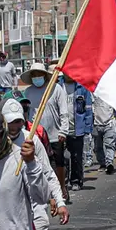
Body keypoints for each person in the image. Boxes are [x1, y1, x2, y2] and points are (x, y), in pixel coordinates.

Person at [2, 99, 68, 230]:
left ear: (23, 121)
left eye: (18, 122)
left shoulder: (33, 142)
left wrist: (60, 201)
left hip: (35, 205)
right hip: (9, 210)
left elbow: (48, 174)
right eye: (10, 122)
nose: (14, 126)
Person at [22, 63, 70, 201]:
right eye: (34, 75)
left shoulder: (56, 89)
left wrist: (63, 131)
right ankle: (46, 192)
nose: (37, 77)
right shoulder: (28, 92)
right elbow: (27, 112)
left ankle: (61, 187)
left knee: (58, 163)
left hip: (55, 134)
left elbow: (63, 111)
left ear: (44, 75)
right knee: (41, 164)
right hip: (37, 134)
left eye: (39, 75)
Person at [62, 74, 93, 191]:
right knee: (63, 158)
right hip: (62, 130)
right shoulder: (57, 86)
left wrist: (87, 128)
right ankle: (63, 182)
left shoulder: (82, 88)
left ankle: (76, 181)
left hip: (77, 129)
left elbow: (88, 109)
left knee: (76, 157)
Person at [91, 94, 116, 174]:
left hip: (109, 123)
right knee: (97, 147)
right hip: (96, 124)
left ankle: (109, 164)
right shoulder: (92, 92)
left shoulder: (110, 92)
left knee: (109, 145)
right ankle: (102, 164)